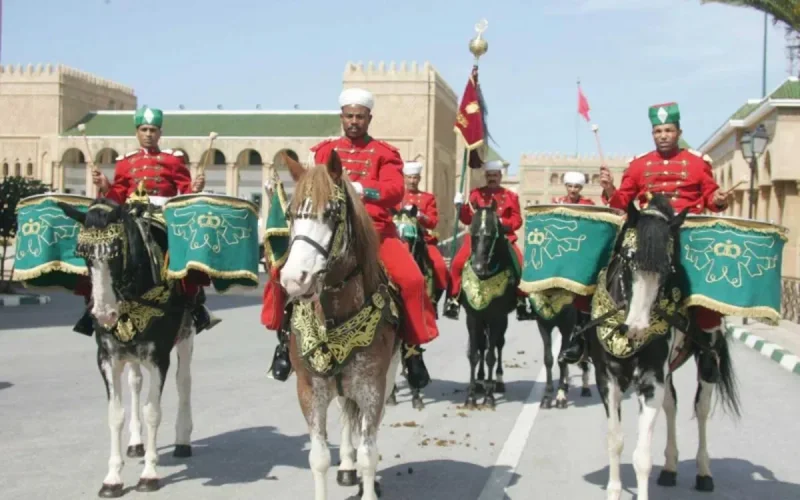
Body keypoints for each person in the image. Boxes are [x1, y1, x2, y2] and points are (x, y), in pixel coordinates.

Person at [266, 88, 438, 388]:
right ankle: (283, 343)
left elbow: (395, 190)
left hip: (375, 233)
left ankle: (412, 349)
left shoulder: (385, 153)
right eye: (349, 116)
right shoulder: (324, 151)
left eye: (360, 116)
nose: (354, 121)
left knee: (412, 281)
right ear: (341, 117)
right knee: (284, 272)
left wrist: (363, 189)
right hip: (329, 231)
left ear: (369, 118)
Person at [559, 102, 729, 381]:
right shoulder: (639, 165)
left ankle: (709, 344)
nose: (663, 135)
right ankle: (581, 333)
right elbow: (622, 201)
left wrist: (718, 200)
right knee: (602, 262)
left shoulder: (698, 163)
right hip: (644, 230)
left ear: (679, 132)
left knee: (706, 278)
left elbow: (711, 196)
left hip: (683, 231)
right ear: (653, 134)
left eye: (668, 130)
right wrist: (610, 189)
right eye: (658, 131)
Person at [72, 106, 220, 336]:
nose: (148, 134)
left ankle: (195, 305)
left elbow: (185, 191)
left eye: (153, 130)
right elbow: (118, 196)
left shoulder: (173, 160)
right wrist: (105, 185)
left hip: (161, 214)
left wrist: (195, 187)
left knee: (181, 250)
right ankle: (93, 306)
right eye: (144, 129)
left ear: (160, 133)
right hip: (130, 214)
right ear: (137, 132)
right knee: (101, 249)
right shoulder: (125, 162)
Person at [443, 160, 535, 321]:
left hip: (503, 237)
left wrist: (502, 223)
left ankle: (521, 300)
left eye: (495, 175)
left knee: (520, 264)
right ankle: (453, 299)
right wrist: (459, 206)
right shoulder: (475, 194)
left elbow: (517, 220)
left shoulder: (510, 196)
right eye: (489, 175)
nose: (492, 178)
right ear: (486, 176)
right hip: (477, 238)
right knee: (457, 263)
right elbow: (467, 219)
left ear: (500, 176)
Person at [396, 160, 449, 296]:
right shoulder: (397, 196)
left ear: (419, 179)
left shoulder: (428, 198)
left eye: (415, 178)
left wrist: (419, 215)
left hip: (423, 240)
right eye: (409, 177)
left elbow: (432, 222)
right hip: (398, 238)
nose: (412, 181)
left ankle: (436, 298)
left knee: (440, 267)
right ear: (404, 178)